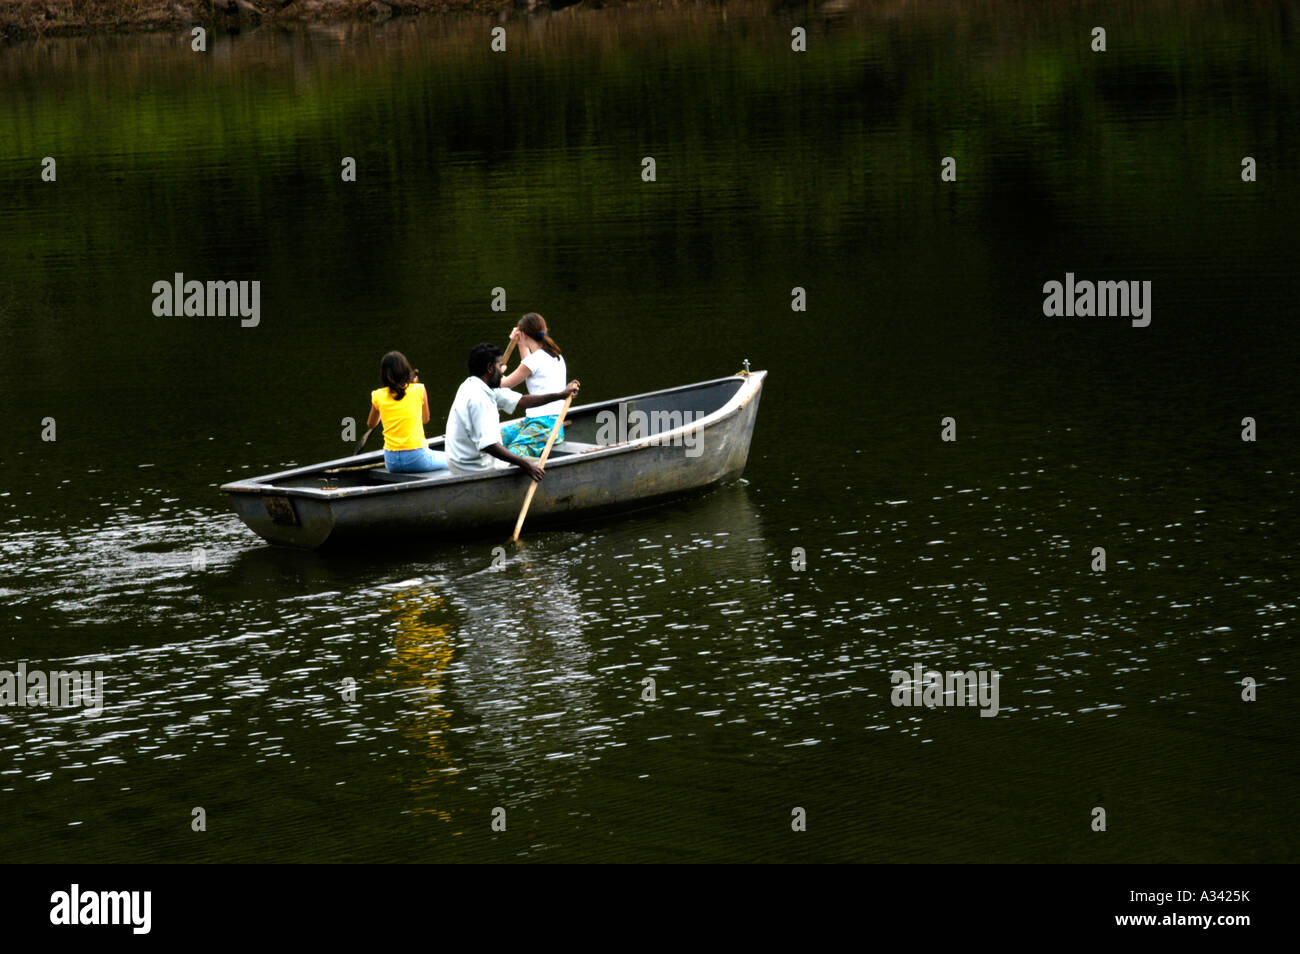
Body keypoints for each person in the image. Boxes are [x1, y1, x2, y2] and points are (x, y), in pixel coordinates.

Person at [446, 342, 579, 480]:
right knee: (536, 463)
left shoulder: (473, 385)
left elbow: (523, 401)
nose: (503, 370)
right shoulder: (479, 399)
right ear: (490, 368)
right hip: (474, 467)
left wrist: (560, 395)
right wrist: (527, 465)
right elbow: (490, 445)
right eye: (499, 366)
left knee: (516, 450)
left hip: (459, 462)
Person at [498, 312, 570, 457]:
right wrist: (520, 343)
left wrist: (497, 371)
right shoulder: (556, 355)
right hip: (550, 425)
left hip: (545, 427)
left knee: (511, 454)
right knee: (496, 437)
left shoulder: (534, 361)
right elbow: (529, 364)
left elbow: (503, 384)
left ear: (524, 334)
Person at [367, 351, 447, 473]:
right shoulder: (419, 389)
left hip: (391, 461)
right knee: (454, 459)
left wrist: (381, 412)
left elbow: (371, 424)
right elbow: (425, 419)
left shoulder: (378, 395)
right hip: (417, 459)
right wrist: (413, 386)